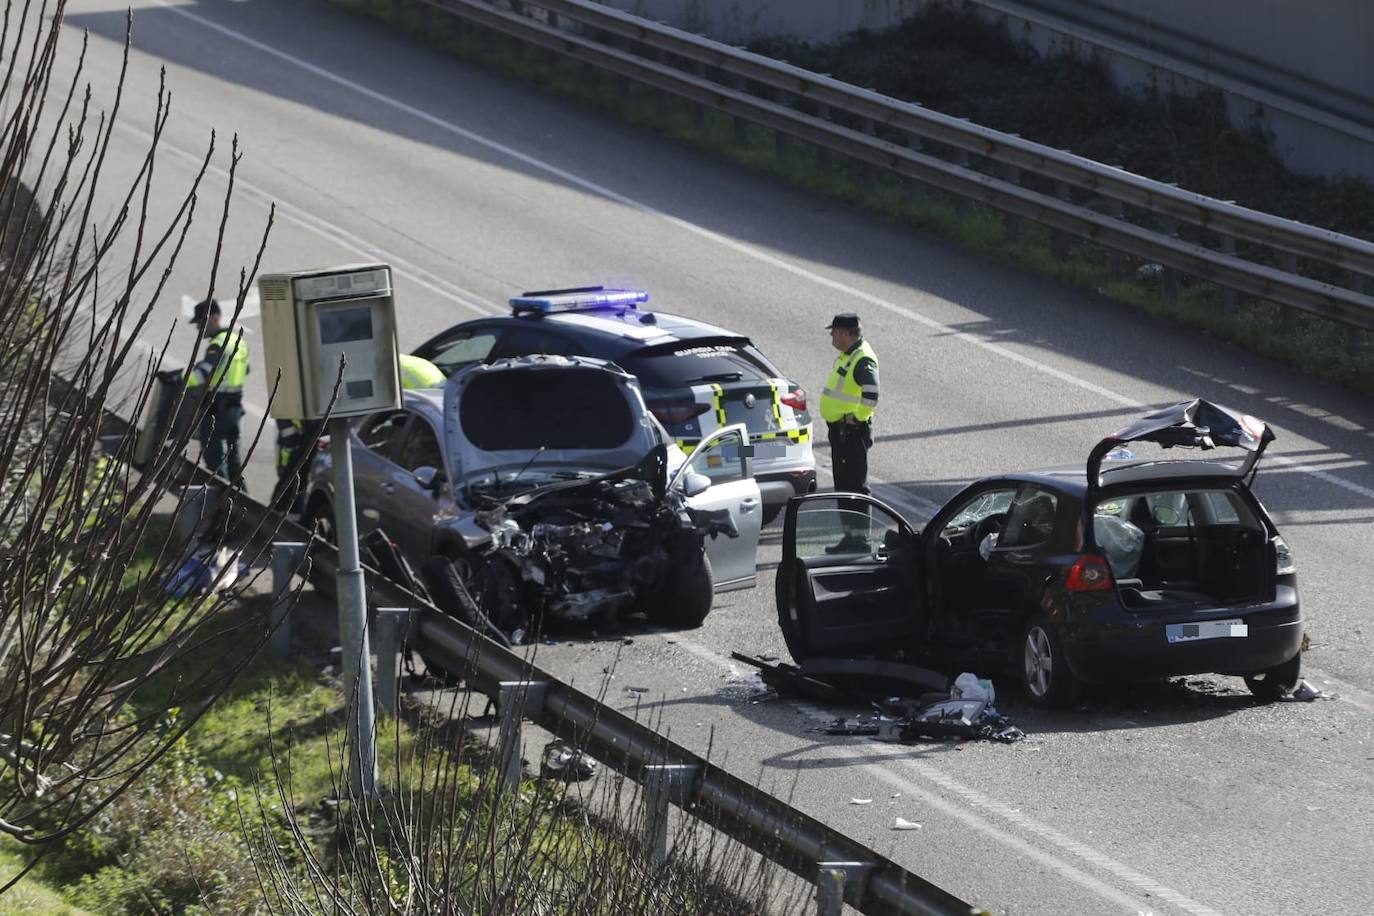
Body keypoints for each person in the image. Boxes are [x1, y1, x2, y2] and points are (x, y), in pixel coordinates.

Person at [818, 312, 879, 553]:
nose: (831, 335)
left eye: (833, 331)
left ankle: (860, 541)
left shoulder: (862, 359)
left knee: (855, 486)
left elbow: (872, 393)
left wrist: (858, 418)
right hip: (842, 432)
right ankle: (850, 537)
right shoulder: (849, 355)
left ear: (844, 333)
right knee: (844, 485)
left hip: (851, 433)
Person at [186, 299, 249, 488]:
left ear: (214, 319)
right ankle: (243, 506)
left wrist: (178, 378)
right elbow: (246, 370)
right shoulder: (238, 341)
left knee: (215, 464)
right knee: (234, 463)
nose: (198, 328)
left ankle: (223, 510)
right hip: (235, 410)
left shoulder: (216, 345)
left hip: (216, 411)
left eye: (200, 322)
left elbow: (202, 373)